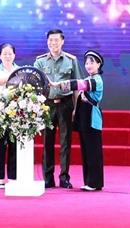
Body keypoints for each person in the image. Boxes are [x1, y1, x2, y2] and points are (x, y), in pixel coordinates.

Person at [34, 29, 83, 189]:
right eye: (50, 40)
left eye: (56, 40)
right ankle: (48, 178)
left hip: (65, 104)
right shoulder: (40, 61)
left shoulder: (71, 60)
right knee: (47, 141)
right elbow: (34, 86)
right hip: (47, 105)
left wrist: (76, 108)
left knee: (65, 142)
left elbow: (77, 86)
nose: (53, 43)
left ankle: (64, 178)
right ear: (47, 42)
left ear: (62, 41)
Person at [58, 50, 106, 192]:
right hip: (85, 120)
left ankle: (95, 182)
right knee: (86, 151)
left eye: (92, 62)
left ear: (98, 64)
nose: (88, 65)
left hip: (92, 120)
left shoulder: (96, 80)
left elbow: (79, 84)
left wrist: (57, 84)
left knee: (93, 152)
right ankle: (90, 181)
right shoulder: (89, 78)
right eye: (86, 63)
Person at [0, 43, 18, 189]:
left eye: (10, 53)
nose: (7, 56)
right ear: (0, 56)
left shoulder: (19, 69)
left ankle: (13, 177)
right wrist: (16, 77)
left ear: (14, 55)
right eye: (4, 53)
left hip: (16, 108)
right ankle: (0, 178)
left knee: (14, 143)